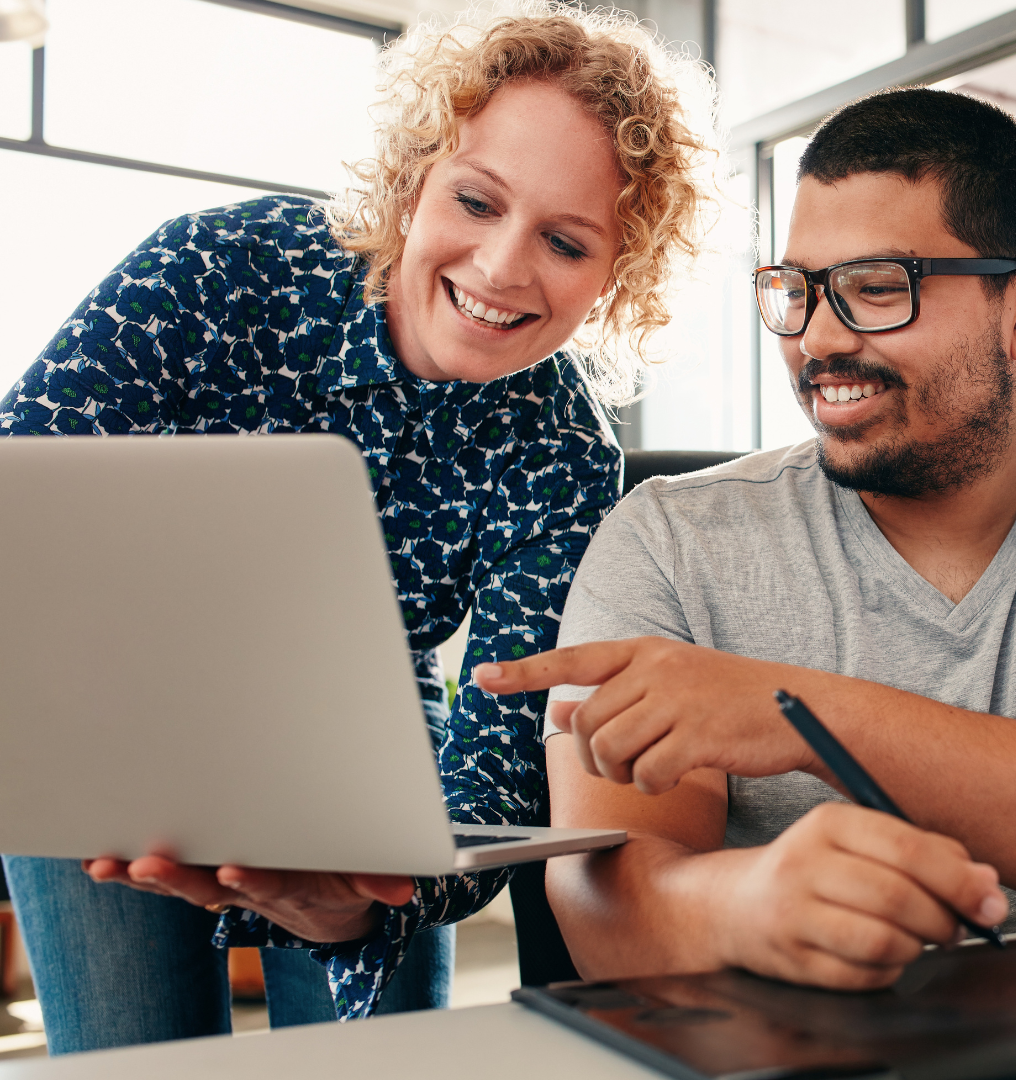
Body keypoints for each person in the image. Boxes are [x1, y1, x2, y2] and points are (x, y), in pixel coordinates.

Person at [0, 2, 719, 1052]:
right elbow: (25, 496)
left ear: (616, 276)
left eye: (565, 241)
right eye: (476, 200)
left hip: (362, 739)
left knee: (370, 1060)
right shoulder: (215, 270)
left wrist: (384, 894)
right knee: (132, 1057)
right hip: (117, 709)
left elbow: (507, 751)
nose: (503, 268)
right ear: (413, 179)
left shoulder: (563, 451)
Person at [474, 88, 1016, 989]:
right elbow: (601, 910)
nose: (817, 338)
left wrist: (801, 715)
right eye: (797, 291)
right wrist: (745, 907)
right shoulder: (666, 537)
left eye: (875, 289)